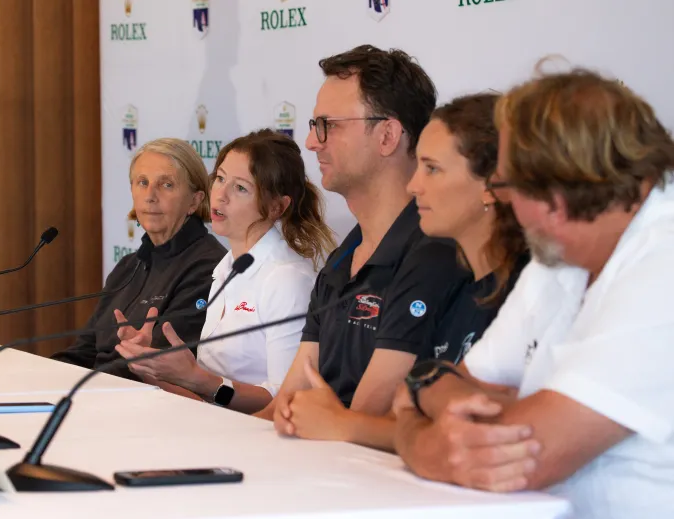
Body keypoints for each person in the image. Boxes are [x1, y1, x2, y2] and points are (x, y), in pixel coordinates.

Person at [393, 67, 674, 519]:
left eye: (506, 186)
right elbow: (457, 383)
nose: (505, 204)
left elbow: (523, 457)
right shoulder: (558, 256)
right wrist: (430, 402)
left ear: (555, 196)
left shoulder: (664, 266)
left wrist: (411, 435)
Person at [280, 93, 529, 449]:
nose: (414, 186)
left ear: (491, 185)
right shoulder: (470, 288)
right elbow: (416, 413)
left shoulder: (525, 286)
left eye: (433, 169)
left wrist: (344, 423)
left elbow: (485, 432)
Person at [255, 45, 468, 428]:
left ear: (387, 135)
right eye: (312, 125)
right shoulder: (341, 258)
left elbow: (359, 420)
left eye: (328, 125)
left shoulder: (432, 251)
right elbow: (283, 406)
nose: (311, 142)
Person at [115, 129, 336, 414]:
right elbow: (207, 400)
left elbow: (289, 402)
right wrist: (151, 366)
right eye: (219, 179)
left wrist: (199, 379)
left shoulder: (287, 279)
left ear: (276, 207)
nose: (220, 195)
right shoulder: (225, 268)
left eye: (240, 188)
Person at [51, 138, 226, 379]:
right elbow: (84, 351)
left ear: (194, 201)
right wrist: (37, 374)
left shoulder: (208, 267)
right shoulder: (128, 266)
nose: (150, 196)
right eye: (142, 182)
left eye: (166, 185)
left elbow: (160, 368)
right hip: (98, 393)